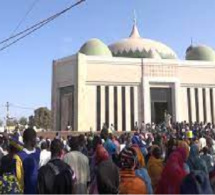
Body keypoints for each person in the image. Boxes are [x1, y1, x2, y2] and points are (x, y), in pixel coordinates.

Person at [13, 128, 40, 194]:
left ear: (23, 140)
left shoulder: (18, 157)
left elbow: (19, 181)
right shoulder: (39, 152)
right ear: (33, 140)